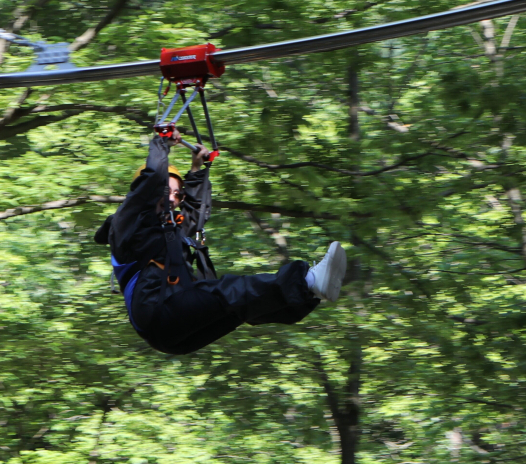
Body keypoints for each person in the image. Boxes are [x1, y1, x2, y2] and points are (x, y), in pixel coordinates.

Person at [95, 133, 346, 354]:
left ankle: (308, 293)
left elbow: (196, 214)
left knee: (238, 308)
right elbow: (148, 185)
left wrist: (197, 170)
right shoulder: (125, 223)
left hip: (175, 335)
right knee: (229, 291)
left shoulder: (169, 230)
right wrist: (161, 142)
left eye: (177, 195)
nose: (172, 199)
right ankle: (308, 280)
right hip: (156, 312)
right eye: (166, 191)